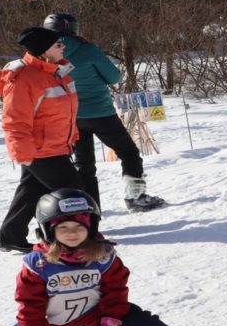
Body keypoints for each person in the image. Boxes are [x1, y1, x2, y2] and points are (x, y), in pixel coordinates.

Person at [0, 189, 201, 326]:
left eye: (79, 227)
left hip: (94, 312)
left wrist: (111, 325)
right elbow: (29, 304)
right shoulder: (39, 264)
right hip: (50, 319)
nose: (72, 233)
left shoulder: (103, 256)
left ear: (92, 227)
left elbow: (116, 291)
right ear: (49, 230)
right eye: (63, 228)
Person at [44, 13, 165, 213]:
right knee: (129, 153)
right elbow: (114, 76)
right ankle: (136, 198)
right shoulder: (87, 50)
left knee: (84, 164)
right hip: (101, 113)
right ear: (75, 29)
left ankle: (90, 209)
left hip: (70, 116)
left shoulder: (46, 55)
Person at [0, 27, 83, 253]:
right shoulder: (24, 79)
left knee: (31, 191)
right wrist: (24, 155)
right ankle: (73, 241)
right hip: (40, 150)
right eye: (57, 44)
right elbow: (15, 121)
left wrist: (72, 136)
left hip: (57, 145)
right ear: (43, 51)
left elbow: (63, 112)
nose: (63, 46)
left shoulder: (56, 71)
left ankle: (10, 236)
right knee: (73, 193)